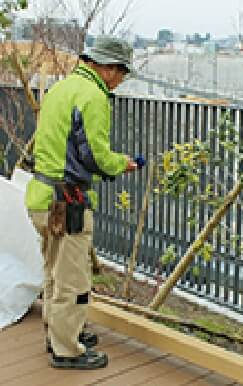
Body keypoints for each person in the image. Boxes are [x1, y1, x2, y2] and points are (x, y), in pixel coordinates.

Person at [25, 35, 138, 370]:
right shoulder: (93, 96)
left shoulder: (61, 88)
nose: (121, 80)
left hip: (41, 197)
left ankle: (58, 330)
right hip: (67, 202)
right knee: (73, 279)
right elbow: (95, 156)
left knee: (53, 272)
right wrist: (122, 164)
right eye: (121, 72)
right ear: (106, 67)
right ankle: (67, 349)